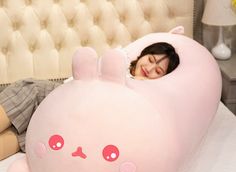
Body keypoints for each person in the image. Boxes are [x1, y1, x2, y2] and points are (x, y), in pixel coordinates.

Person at [0, 42, 179, 161]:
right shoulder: (117, 62)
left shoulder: (143, 93)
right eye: (150, 60)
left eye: (158, 71)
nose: (149, 68)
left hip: (82, 117)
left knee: (31, 89)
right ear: (140, 56)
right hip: (68, 97)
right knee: (27, 129)